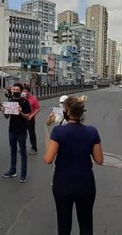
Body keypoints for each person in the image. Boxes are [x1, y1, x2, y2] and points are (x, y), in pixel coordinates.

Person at [44, 96, 103, 235]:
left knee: (64, 222)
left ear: (66, 111)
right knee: (86, 222)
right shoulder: (92, 131)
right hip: (86, 183)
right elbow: (99, 160)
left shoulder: (58, 132)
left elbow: (48, 159)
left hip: (63, 183)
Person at [2, 83, 32, 183]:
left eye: (17, 89)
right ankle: (12, 170)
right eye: (14, 89)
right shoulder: (10, 101)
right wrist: (3, 111)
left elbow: (28, 116)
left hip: (22, 131)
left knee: (23, 152)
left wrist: (20, 112)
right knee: (13, 151)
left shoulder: (25, 102)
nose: (15, 91)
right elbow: (6, 117)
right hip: (12, 130)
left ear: (21, 90)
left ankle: (23, 174)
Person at [22, 86, 41, 155]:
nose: (24, 93)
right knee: (22, 134)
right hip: (22, 118)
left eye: (26, 91)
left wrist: (31, 116)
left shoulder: (33, 99)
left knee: (31, 133)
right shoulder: (21, 99)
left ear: (29, 92)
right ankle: (22, 146)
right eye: (23, 91)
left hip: (30, 118)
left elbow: (38, 109)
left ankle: (34, 148)